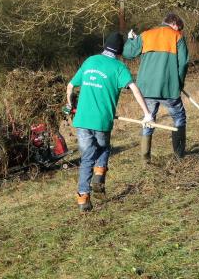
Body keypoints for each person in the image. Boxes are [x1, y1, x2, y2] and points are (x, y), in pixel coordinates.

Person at [65, 32, 153, 212]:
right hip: (102, 120)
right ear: (120, 52)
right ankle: (98, 175)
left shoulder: (90, 61)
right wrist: (147, 114)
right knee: (103, 148)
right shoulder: (119, 67)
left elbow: (70, 86)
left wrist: (70, 104)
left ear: (105, 47)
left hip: (81, 120)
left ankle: (84, 196)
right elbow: (134, 89)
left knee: (87, 157)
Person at [123, 12, 189, 163]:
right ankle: (179, 156)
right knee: (179, 117)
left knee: (148, 119)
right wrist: (179, 83)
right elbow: (183, 63)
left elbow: (128, 53)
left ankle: (145, 158)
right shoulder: (177, 36)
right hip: (168, 88)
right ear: (174, 24)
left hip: (146, 89)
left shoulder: (146, 35)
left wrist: (131, 40)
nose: (180, 31)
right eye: (179, 28)